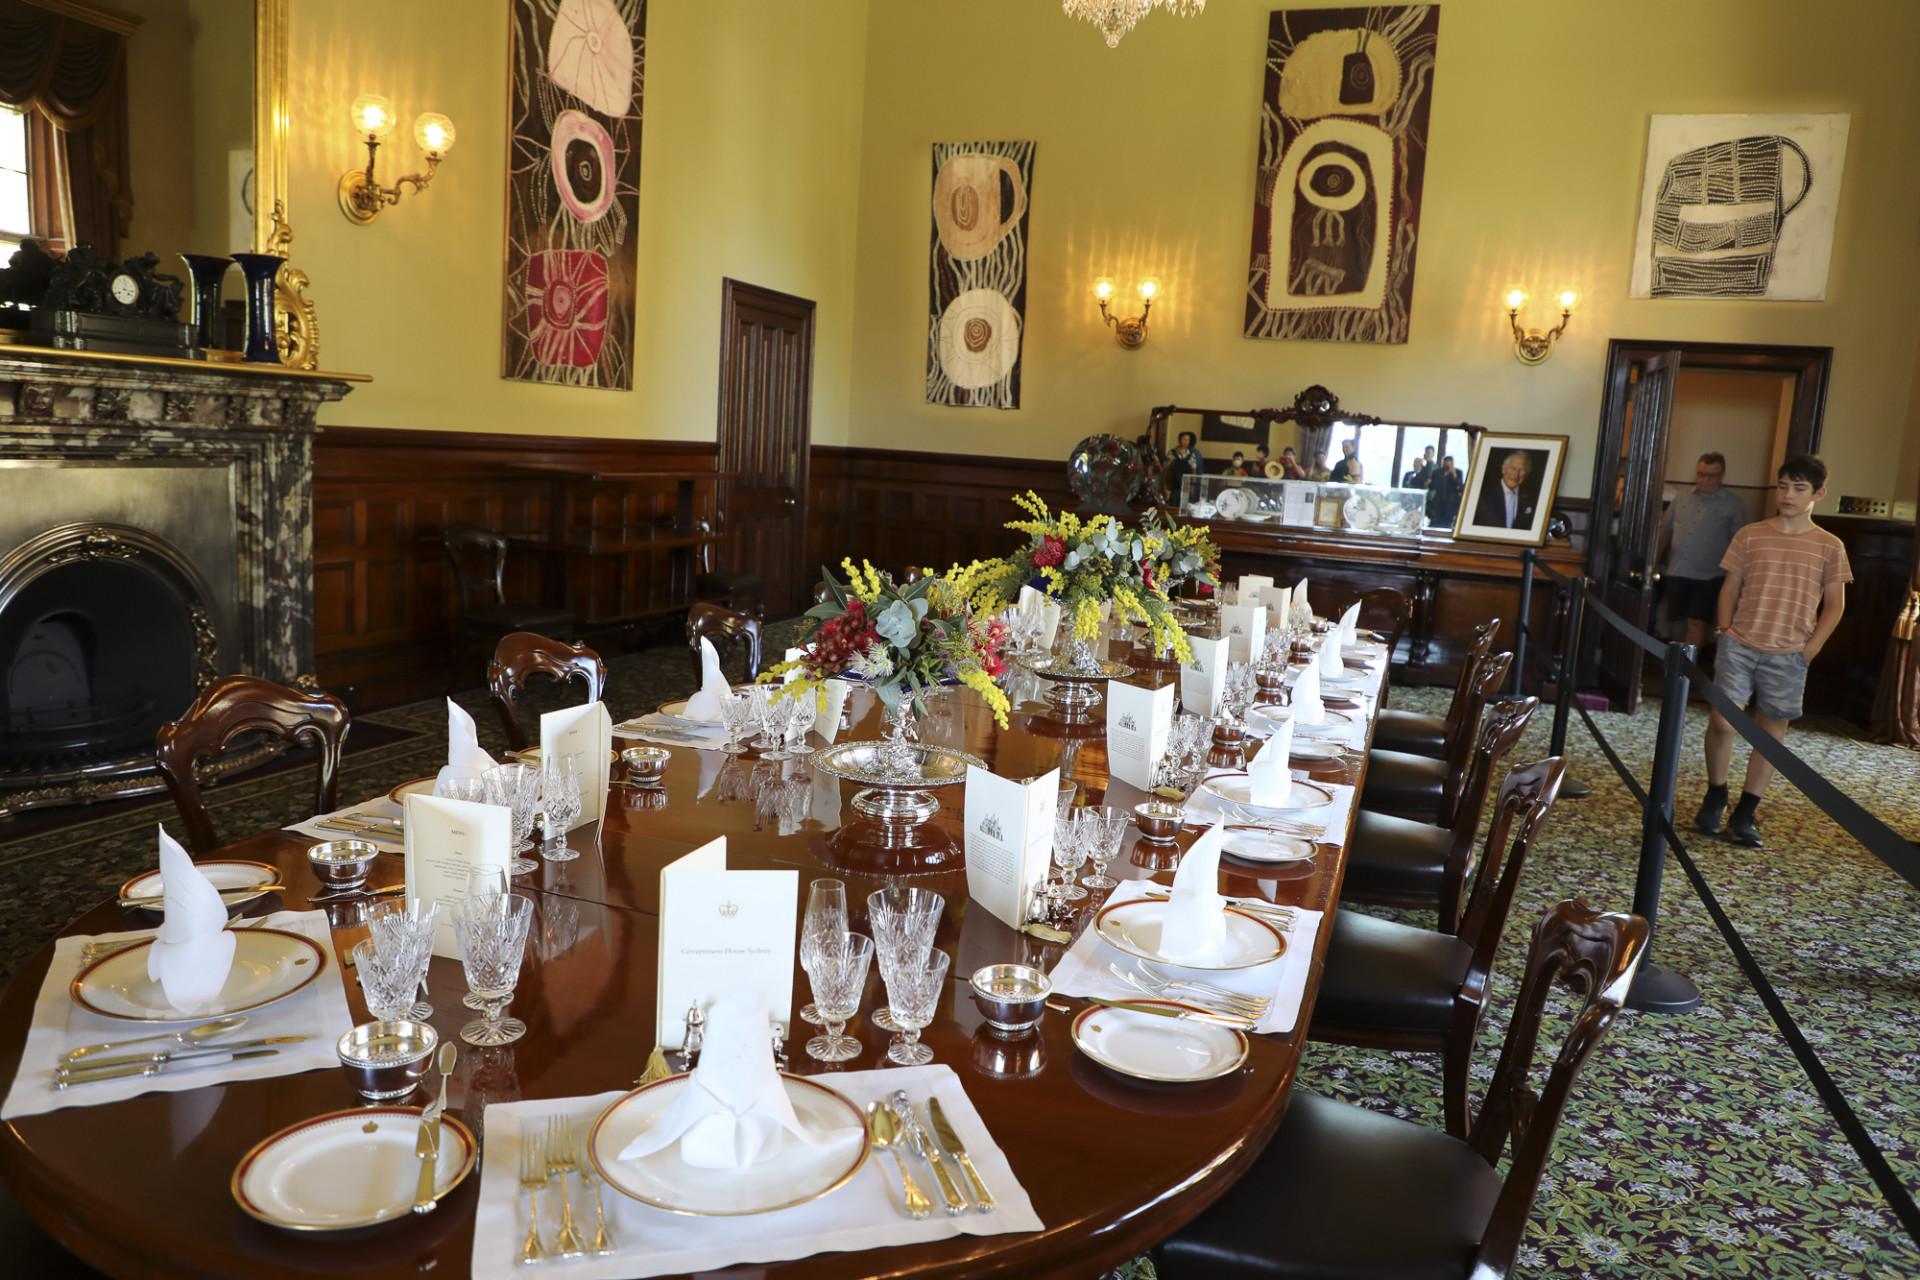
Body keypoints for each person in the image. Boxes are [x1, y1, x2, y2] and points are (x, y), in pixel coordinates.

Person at [1696, 455, 1850, 848]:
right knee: (1722, 722)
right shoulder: (1750, 534)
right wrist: (1725, 632)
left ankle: (1746, 812)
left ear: (1818, 494)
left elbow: (1835, 605)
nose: (1788, 495)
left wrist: (1809, 650)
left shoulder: (1830, 545)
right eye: (1783, 486)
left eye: (1799, 488)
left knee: (1770, 732)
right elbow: (1730, 587)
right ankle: (1716, 793)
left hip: (1790, 651)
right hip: (1740, 643)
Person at [1657, 452, 1748, 648]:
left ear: (1721, 476)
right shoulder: (1681, 498)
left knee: (1697, 622)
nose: (1704, 480)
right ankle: (1676, 662)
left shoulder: (1733, 503)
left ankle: (1687, 665)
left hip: (1710, 575)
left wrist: (1738, 577)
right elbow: (1665, 532)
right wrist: (1654, 562)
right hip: (1678, 569)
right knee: (1675, 620)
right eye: (1701, 474)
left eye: (1711, 475)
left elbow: (1739, 543)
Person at [1471, 449, 1542, 530]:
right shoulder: (1482, 495)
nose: (1516, 474)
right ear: (1503, 469)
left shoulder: (1532, 499)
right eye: (1513, 468)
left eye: (1522, 470)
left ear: (1526, 473)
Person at [1426, 454, 1463, 529]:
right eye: (1445, 465)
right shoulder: (1437, 472)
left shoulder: (1458, 472)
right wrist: (1442, 476)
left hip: (1451, 504)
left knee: (1448, 525)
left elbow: (1460, 487)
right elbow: (1431, 486)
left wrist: (1454, 474)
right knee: (1434, 524)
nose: (1447, 467)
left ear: (1452, 464)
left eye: (1449, 465)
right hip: (1438, 503)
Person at [1163, 430, 1200, 502]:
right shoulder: (1171, 453)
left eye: (1188, 440)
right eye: (1184, 439)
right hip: (1173, 484)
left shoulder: (1191, 454)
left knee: (1184, 503)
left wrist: (1193, 486)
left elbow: (1194, 470)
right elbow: (1166, 469)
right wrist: (1164, 484)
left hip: (1186, 484)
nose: (1186, 442)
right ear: (1179, 440)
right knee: (1172, 502)